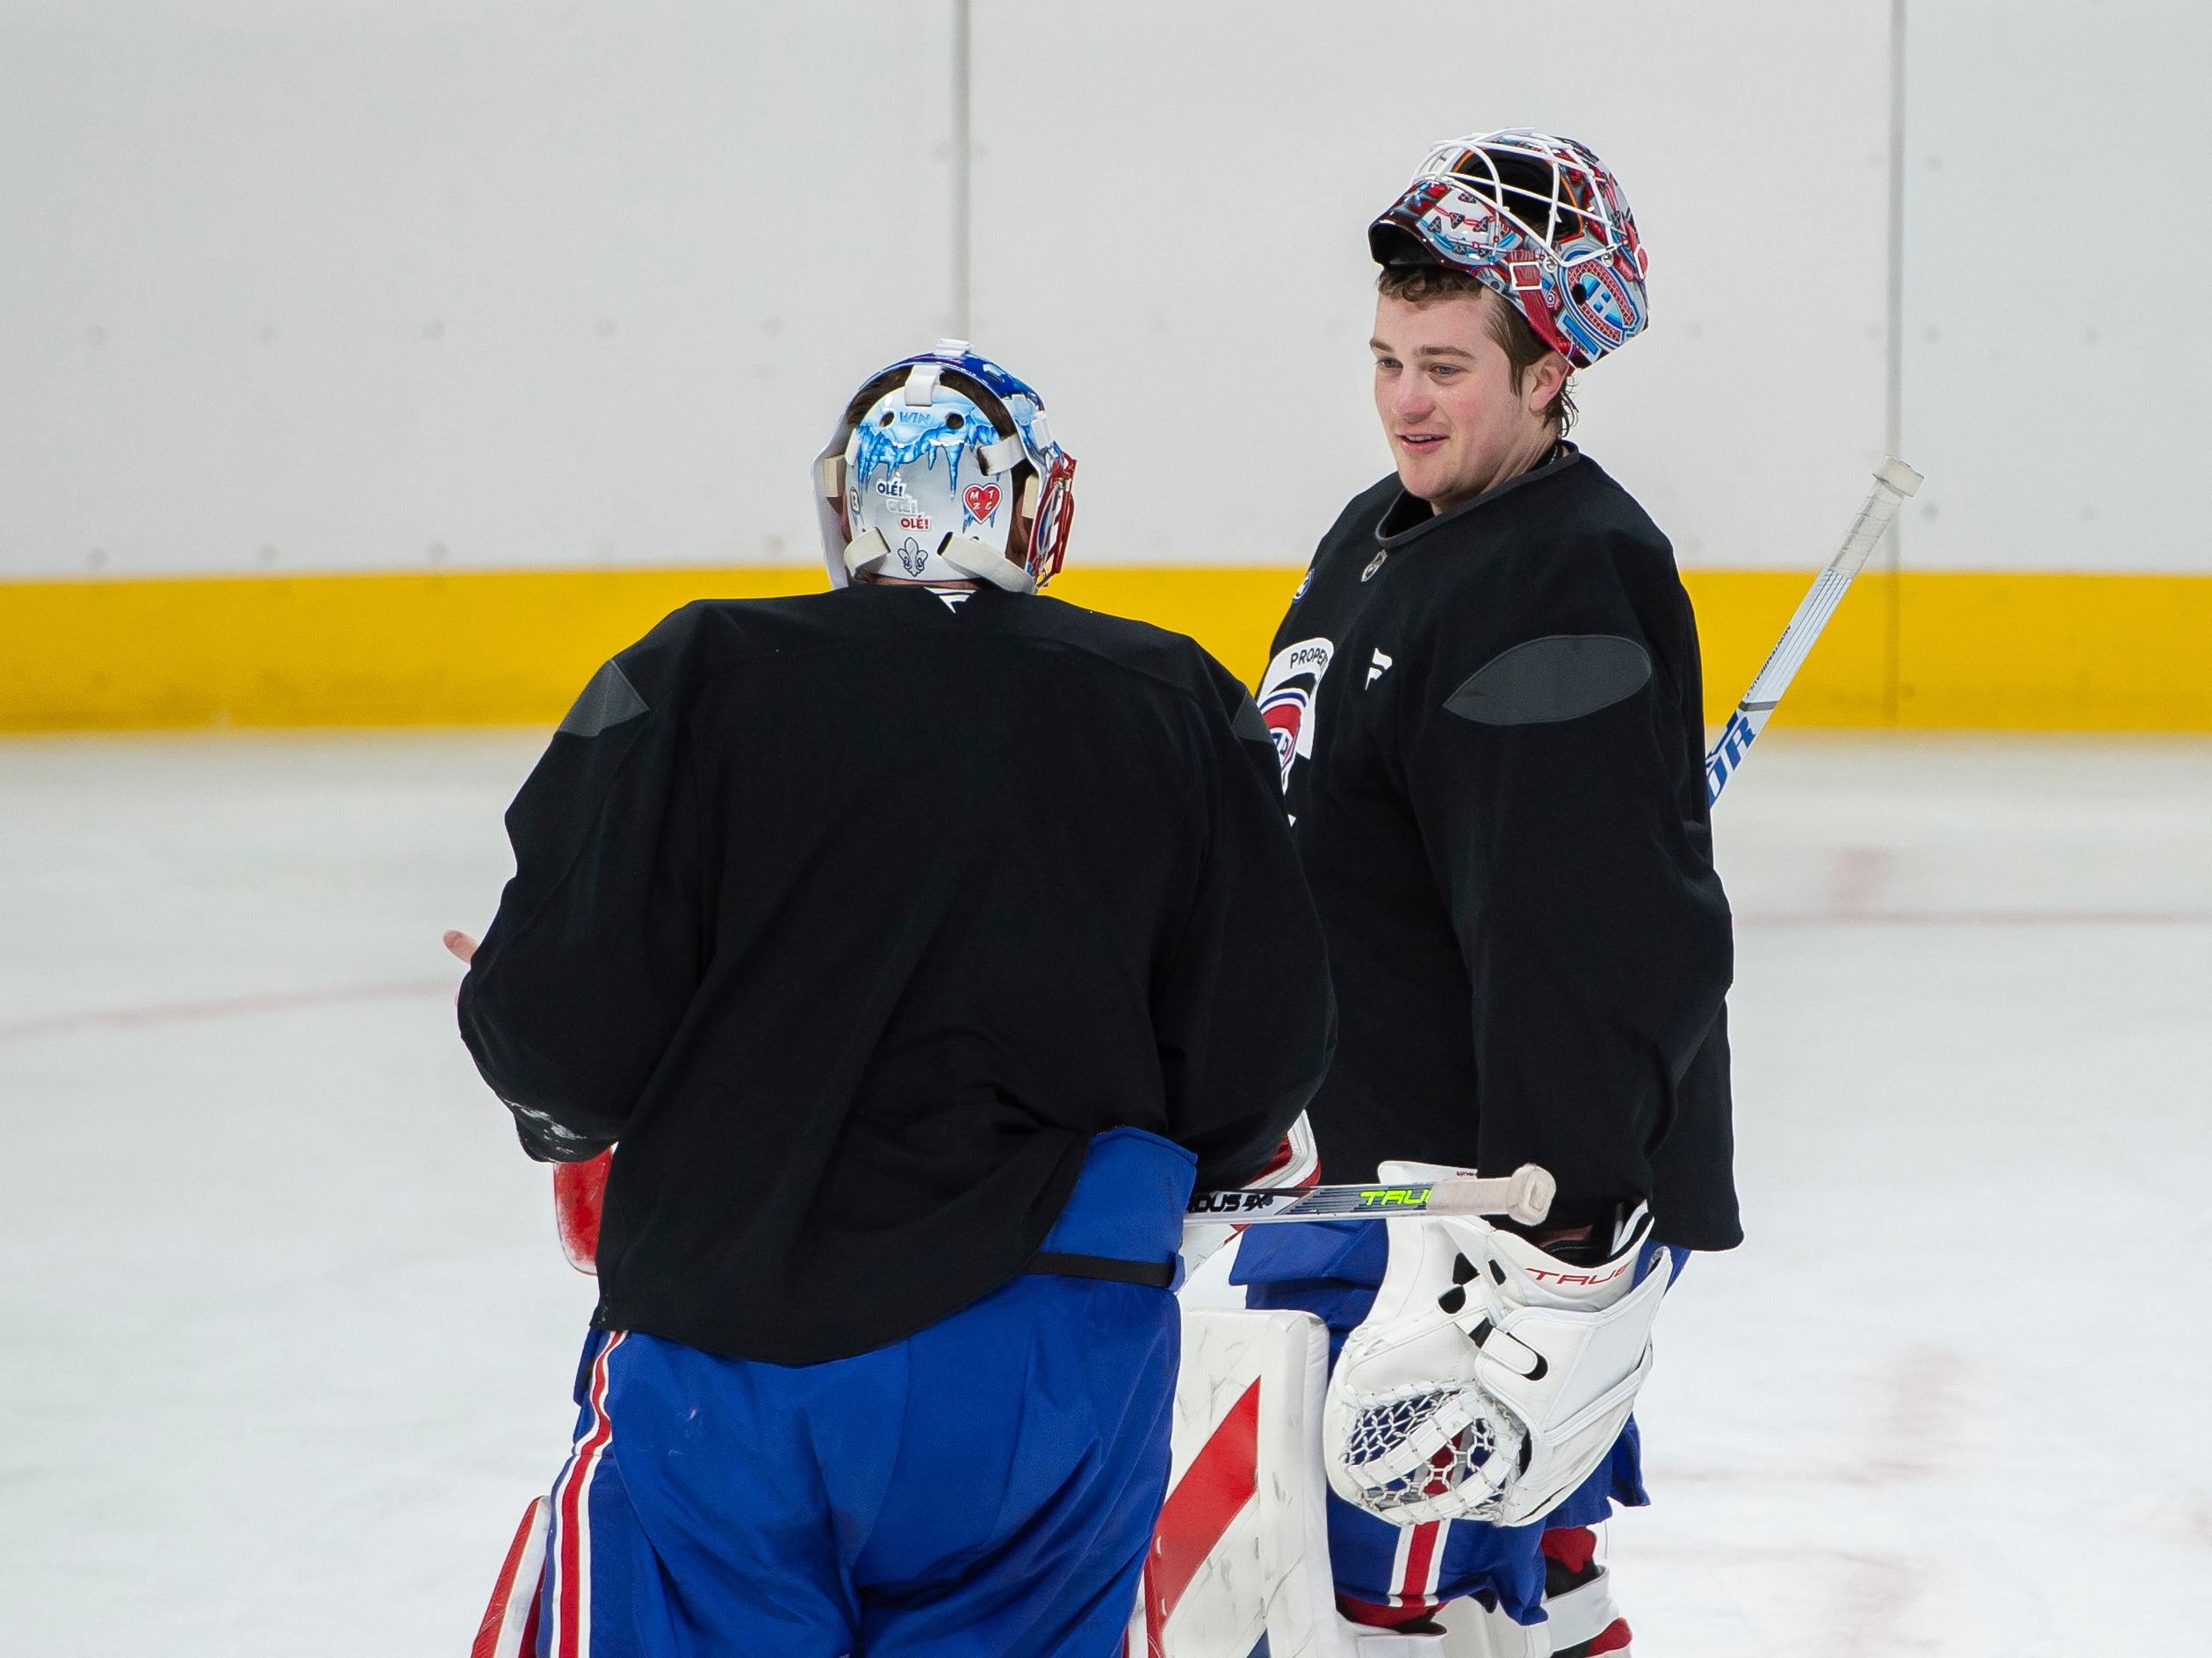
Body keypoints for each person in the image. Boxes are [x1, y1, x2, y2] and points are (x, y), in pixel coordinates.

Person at [450, 342, 1335, 1658]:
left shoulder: (691, 672)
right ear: (1029, 506)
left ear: (846, 505)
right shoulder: (1175, 698)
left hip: (730, 1343)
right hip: (1051, 1350)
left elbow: (560, 1042)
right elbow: (1258, 1067)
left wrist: (544, 1066)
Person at [1235, 131, 1737, 1656]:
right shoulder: (1383, 530)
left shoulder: (1562, 577)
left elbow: (1586, 943)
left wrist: (1562, 1245)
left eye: (1447, 368)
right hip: (1360, 1181)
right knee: (1473, 1593)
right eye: (1389, 361)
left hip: (1468, 1232)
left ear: (1548, 373)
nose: (1406, 401)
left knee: (1405, 1604)